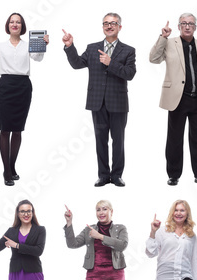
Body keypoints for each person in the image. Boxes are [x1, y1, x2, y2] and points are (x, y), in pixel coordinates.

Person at [149, 13, 197, 187]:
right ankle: (174, 175)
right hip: (177, 99)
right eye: (184, 23)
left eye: (190, 23)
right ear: (178, 26)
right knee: (175, 139)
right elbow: (153, 59)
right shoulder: (168, 43)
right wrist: (162, 37)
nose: (187, 26)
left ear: (195, 27)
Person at [63, 13, 137, 187]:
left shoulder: (128, 50)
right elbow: (77, 64)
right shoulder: (92, 48)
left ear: (120, 27)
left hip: (118, 103)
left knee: (118, 140)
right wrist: (69, 46)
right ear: (102, 26)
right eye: (106, 23)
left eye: (113, 23)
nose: (109, 26)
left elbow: (130, 74)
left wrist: (111, 63)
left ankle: (117, 175)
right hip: (97, 102)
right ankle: (103, 175)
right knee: (100, 140)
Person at [0, 13, 47, 186]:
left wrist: (43, 45)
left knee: (17, 130)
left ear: (22, 26)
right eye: (12, 22)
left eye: (18, 22)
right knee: (4, 130)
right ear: (8, 25)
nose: (15, 24)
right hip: (5, 87)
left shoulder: (28, 44)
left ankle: (12, 166)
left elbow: (38, 59)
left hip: (23, 86)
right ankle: (6, 171)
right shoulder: (1, 45)